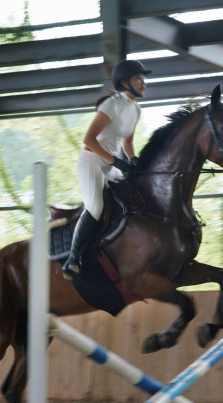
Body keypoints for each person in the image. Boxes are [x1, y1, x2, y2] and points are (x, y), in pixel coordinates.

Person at [61, 59, 152, 278]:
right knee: (95, 207)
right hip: (92, 160)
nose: (144, 82)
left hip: (111, 164)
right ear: (124, 82)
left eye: (143, 78)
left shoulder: (136, 109)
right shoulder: (112, 104)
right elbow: (89, 140)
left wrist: (133, 160)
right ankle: (73, 259)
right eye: (138, 78)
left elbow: (127, 143)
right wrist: (114, 160)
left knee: (132, 196)